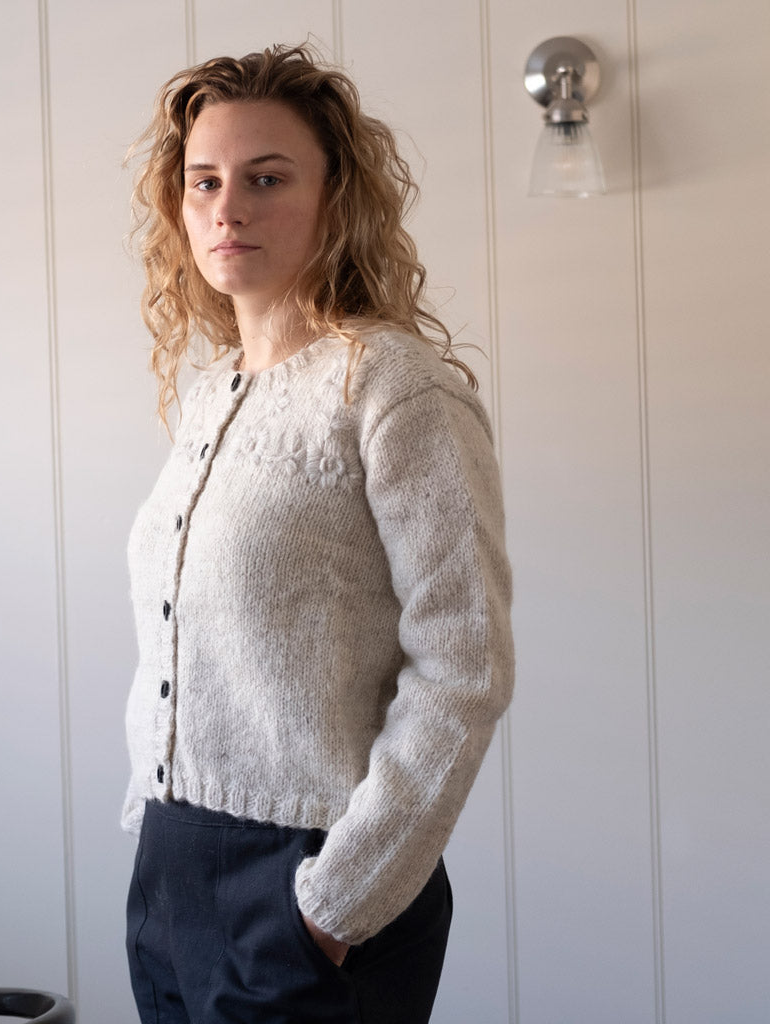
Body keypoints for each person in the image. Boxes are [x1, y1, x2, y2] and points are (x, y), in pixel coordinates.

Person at [121, 43, 514, 1024]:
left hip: (312, 877)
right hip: (171, 874)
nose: (228, 207)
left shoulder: (393, 387)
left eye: (266, 178)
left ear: (335, 197)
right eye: (204, 181)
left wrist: (335, 904)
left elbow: (464, 663)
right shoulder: (211, 393)